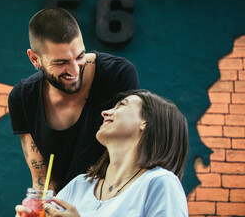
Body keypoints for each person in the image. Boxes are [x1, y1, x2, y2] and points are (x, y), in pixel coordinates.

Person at [8, 8, 139, 193]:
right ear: (34, 59)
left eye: (79, 57)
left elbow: (131, 156)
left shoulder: (118, 75)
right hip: (62, 207)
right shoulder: (22, 97)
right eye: (61, 63)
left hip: (113, 200)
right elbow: (43, 182)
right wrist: (36, 209)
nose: (75, 71)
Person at [16, 89, 189, 217]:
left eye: (121, 105)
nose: (105, 112)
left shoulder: (159, 183)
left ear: (146, 122)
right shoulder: (78, 186)